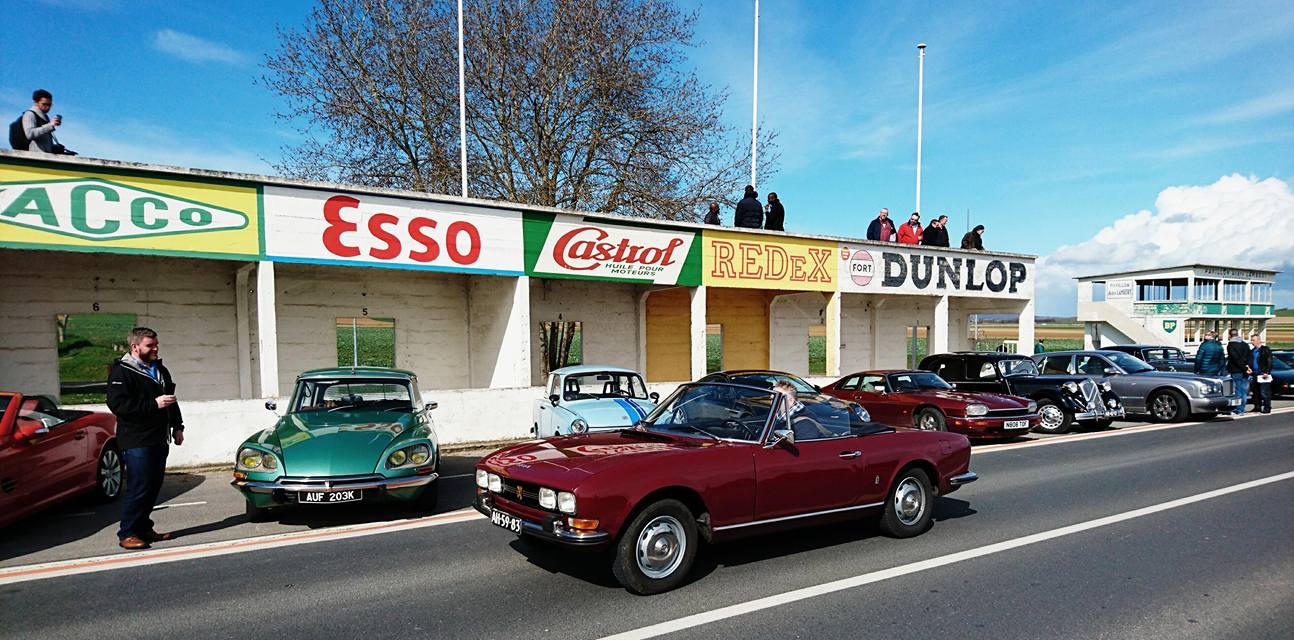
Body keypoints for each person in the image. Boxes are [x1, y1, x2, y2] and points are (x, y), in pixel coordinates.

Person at [107, 327, 185, 550]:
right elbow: (118, 405)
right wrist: (153, 404)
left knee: (153, 486)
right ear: (135, 347)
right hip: (136, 440)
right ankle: (127, 533)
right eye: (150, 345)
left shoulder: (159, 369)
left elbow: (170, 400)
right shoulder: (121, 372)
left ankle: (143, 527)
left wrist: (177, 426)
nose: (155, 349)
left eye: (156, 345)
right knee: (139, 486)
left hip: (159, 437)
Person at [19, 89, 63, 154]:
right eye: (44, 104)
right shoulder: (29, 114)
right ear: (35, 102)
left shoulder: (44, 116)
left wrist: (54, 148)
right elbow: (30, 134)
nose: (48, 107)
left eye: (50, 105)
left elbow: (42, 141)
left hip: (43, 156)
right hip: (34, 156)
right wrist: (50, 125)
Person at [1224, 328, 1252, 416]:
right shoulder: (1245, 344)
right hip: (1245, 370)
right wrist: (1247, 367)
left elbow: (1235, 358)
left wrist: (1243, 368)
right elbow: (1249, 357)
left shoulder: (1231, 345)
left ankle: (1238, 408)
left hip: (1236, 370)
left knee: (1237, 390)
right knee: (1244, 391)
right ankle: (1242, 409)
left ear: (1230, 335)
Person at [1249, 332, 1273, 414]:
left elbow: (1269, 361)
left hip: (1263, 374)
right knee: (1255, 392)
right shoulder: (1252, 351)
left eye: (1253, 340)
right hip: (1254, 374)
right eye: (1251, 340)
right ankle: (1257, 406)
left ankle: (1267, 407)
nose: (1252, 342)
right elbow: (1251, 362)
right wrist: (1249, 368)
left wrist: (1267, 372)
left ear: (1259, 340)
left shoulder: (1265, 350)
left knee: (1264, 392)